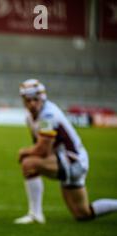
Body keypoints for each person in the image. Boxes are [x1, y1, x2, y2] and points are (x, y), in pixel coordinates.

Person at [14, 79, 117, 224]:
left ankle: (35, 214)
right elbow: (41, 147)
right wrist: (34, 151)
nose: (32, 103)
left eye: (35, 100)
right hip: (71, 160)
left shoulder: (48, 115)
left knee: (28, 163)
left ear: (42, 98)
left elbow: (43, 150)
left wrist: (25, 151)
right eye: (28, 100)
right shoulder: (31, 116)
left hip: (73, 161)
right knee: (83, 214)